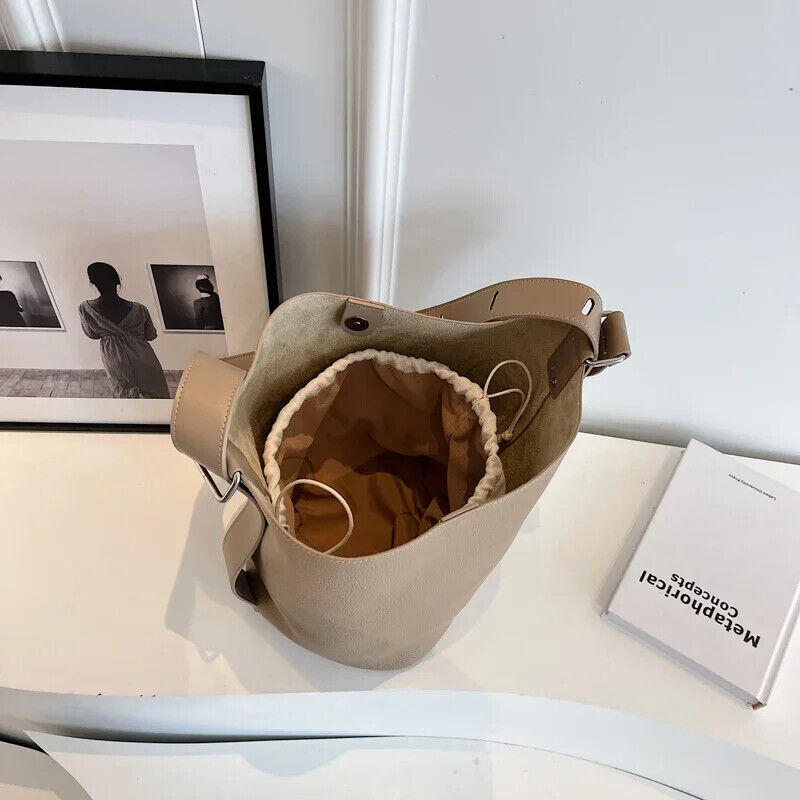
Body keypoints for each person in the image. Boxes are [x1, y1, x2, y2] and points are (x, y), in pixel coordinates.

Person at [78, 262, 169, 399]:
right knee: (157, 397)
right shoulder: (139, 309)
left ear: (93, 283)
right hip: (143, 356)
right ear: (117, 280)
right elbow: (151, 335)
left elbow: (92, 334)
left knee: (125, 398)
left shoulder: (85, 308)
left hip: (115, 359)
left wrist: (110, 333)